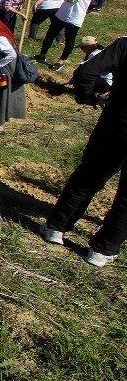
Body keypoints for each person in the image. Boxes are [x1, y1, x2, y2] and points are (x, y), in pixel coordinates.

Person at [38, 36, 126, 267]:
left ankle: (56, 227)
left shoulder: (124, 44)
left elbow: (85, 73)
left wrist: (88, 97)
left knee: (89, 176)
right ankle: (103, 250)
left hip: (117, 124)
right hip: (117, 123)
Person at [36, 0, 97, 71]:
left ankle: (61, 61)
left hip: (75, 17)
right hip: (62, 13)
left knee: (69, 40)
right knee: (50, 34)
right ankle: (42, 54)